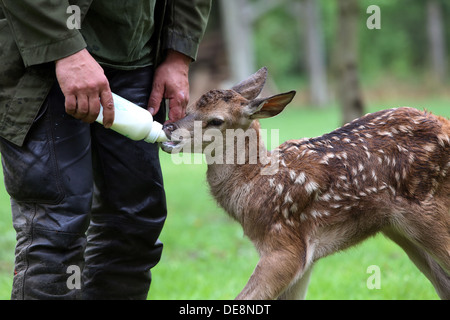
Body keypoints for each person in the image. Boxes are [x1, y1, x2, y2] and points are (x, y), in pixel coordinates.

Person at [0, 0, 211, 299]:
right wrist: (64, 46)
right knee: (57, 229)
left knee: (133, 223)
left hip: (136, 56)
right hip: (40, 53)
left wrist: (178, 52)